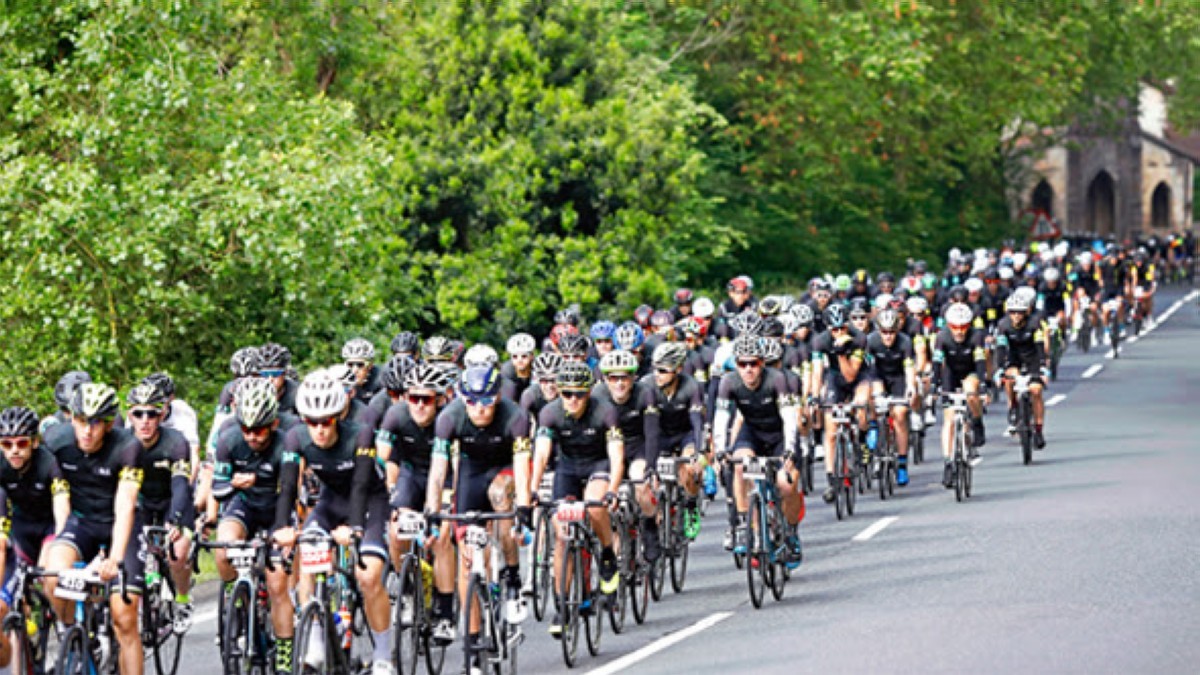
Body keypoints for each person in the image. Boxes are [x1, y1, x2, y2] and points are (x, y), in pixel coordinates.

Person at [271, 373, 395, 675]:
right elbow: (287, 486)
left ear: (338, 416)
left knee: (367, 578)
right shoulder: (295, 437)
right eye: (312, 421)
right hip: (330, 502)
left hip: (369, 503)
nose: (319, 429)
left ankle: (382, 654)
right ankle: (314, 642)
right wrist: (280, 529)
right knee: (309, 560)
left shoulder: (360, 434)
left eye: (326, 421)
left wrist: (354, 528)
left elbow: (362, 484)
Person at [425, 365, 532, 661]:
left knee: (500, 496)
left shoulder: (515, 416)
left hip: (505, 469)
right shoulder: (449, 417)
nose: (479, 409)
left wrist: (523, 511)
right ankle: (472, 642)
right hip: (471, 474)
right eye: (472, 401)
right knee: (468, 555)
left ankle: (511, 577)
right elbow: (438, 472)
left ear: (498, 396)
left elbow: (523, 468)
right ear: (462, 398)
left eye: (486, 400)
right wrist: (432, 513)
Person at [43, 383, 146, 675]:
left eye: (96, 422)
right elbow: (53, 491)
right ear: (71, 418)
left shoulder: (127, 446)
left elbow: (125, 503)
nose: (87, 430)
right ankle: (75, 634)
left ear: (110, 424)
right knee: (53, 574)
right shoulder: (57, 440)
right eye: (81, 420)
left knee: (124, 617)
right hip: (82, 522)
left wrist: (114, 557)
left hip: (120, 526)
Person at [210, 379, 299, 674]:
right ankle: (237, 595)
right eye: (246, 429)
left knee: (276, 585)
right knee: (223, 547)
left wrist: (279, 535)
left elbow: (288, 490)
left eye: (259, 429)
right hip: (245, 505)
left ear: (273, 424)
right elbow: (218, 488)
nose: (252, 436)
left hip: (276, 507)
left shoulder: (286, 443)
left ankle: (285, 653)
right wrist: (234, 482)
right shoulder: (229, 440)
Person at [529, 362, 624, 637]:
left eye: (579, 394)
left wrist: (613, 490)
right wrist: (533, 490)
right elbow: (541, 454)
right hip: (568, 468)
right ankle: (562, 607)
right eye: (567, 393)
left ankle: (607, 554)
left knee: (595, 507)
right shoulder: (550, 413)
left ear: (589, 393)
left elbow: (617, 456)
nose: (573, 400)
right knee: (561, 534)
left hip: (598, 465)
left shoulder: (604, 411)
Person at [376, 363, 458, 644]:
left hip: (447, 475)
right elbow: (382, 457)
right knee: (396, 529)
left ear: (439, 399)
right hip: (412, 474)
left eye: (427, 399)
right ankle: (408, 589)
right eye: (414, 398)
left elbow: (457, 466)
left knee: (442, 536)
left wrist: (444, 505)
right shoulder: (396, 414)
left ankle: (446, 613)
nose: (420, 405)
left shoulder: (449, 418)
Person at [712, 335, 803, 564]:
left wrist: (790, 450)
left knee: (785, 483)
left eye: (754, 363)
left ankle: (791, 532)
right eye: (743, 364)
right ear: (736, 364)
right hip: (752, 435)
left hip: (780, 435)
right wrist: (720, 451)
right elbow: (721, 419)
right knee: (741, 467)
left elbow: (789, 418)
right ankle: (745, 525)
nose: (749, 369)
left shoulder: (777, 379)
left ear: (762, 363)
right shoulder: (729, 382)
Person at [0, 407, 69, 674]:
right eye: (6, 444)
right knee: (16, 586)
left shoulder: (48, 462)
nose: (14, 450)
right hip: (20, 529)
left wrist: (59, 542)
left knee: (48, 570)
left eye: (21, 443)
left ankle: (63, 623)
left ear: (35, 442)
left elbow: (62, 505)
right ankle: (28, 629)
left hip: (49, 525)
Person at [126, 382, 196, 632]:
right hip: (142, 503)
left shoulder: (176, 443)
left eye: (152, 413)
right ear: (129, 415)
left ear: (162, 414)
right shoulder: (122, 444)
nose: (145, 420)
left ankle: (183, 598)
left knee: (177, 553)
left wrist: (175, 520)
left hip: (172, 502)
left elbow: (181, 485)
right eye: (138, 413)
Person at [593, 350, 662, 560]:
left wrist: (651, 466)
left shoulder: (645, 393)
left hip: (636, 446)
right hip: (609, 450)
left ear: (634, 378)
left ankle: (650, 526)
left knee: (639, 479)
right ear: (605, 379)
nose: (620, 384)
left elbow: (652, 433)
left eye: (625, 377)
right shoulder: (597, 396)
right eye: (614, 378)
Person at [644, 343, 707, 538]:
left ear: (678, 369)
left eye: (663, 370)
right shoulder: (647, 385)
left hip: (684, 434)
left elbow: (697, 421)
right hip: (659, 435)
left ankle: (690, 504)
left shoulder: (691, 386)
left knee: (688, 468)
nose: (658, 374)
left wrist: (698, 453)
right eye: (655, 368)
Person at [932, 303, 988, 488]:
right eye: (955, 327)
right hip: (950, 373)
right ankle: (948, 462)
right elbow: (937, 363)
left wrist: (984, 388)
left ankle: (977, 421)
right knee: (949, 419)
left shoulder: (976, 336)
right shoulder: (942, 337)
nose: (959, 331)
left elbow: (980, 362)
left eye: (963, 326)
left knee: (971, 392)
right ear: (948, 325)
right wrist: (934, 387)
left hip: (970, 371)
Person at [865, 309, 918, 486]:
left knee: (900, 414)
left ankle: (902, 464)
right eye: (884, 332)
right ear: (878, 330)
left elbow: (910, 368)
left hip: (898, 378)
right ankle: (874, 426)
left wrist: (911, 387)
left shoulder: (905, 342)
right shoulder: (871, 341)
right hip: (878, 376)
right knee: (873, 394)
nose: (888, 336)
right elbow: (867, 371)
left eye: (891, 332)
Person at [995, 294, 1048, 449]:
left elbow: (1039, 347)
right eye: (1013, 312)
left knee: (1036, 391)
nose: (1016, 316)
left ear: (1026, 312)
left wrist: (1043, 368)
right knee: (1010, 378)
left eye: (1020, 312)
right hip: (1013, 359)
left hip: (1032, 359)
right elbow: (1000, 349)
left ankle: (1038, 430)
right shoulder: (1003, 326)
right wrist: (1000, 369)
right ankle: (1012, 407)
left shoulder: (1034, 324)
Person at [343, 338, 382, 403]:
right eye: (350, 364)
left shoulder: (380, 380)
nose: (354, 370)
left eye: (360, 364)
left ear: (370, 365)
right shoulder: (342, 378)